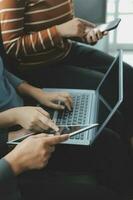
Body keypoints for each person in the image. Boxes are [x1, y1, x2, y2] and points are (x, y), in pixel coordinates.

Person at [0, 0, 133, 149]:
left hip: (64, 50)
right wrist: (60, 31)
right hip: (36, 67)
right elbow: (12, 46)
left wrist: (82, 33)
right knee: (107, 88)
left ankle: (127, 140)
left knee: (127, 74)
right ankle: (123, 146)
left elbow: (61, 25)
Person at [0, 45, 124, 200]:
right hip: (8, 171)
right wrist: (12, 156)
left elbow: (2, 72)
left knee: (108, 141)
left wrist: (37, 93)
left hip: (18, 124)